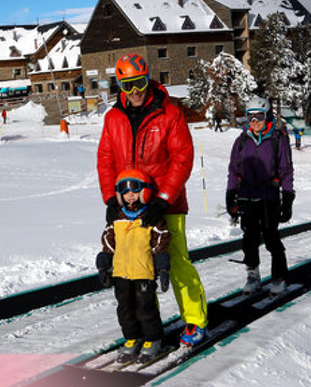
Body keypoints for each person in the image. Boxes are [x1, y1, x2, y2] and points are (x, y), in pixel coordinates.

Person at [97, 53, 208, 347]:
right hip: (130, 207)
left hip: (166, 204)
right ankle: (151, 329)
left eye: (140, 82)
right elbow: (106, 160)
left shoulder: (169, 113)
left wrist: (163, 199)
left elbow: (182, 158)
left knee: (176, 262)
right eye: (128, 84)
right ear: (120, 85)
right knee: (139, 270)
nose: (135, 91)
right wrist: (111, 199)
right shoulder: (113, 118)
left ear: (149, 79)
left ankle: (195, 321)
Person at [96, 169, 171, 363]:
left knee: (145, 308)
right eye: (125, 191)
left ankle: (152, 339)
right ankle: (131, 338)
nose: (130, 195)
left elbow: (160, 244)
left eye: (134, 190)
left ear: (144, 192)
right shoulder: (116, 217)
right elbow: (108, 242)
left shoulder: (151, 218)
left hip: (143, 272)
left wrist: (162, 269)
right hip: (121, 273)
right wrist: (104, 264)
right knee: (125, 308)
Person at [226, 97, 295, 297]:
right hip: (247, 197)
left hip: (269, 197)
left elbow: (286, 171)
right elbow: (233, 170)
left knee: (272, 238)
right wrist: (231, 194)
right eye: (251, 117)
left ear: (267, 116)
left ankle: (279, 277)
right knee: (249, 240)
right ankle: (253, 275)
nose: (255, 121)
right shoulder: (241, 142)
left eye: (259, 116)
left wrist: (288, 197)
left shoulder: (277, 140)